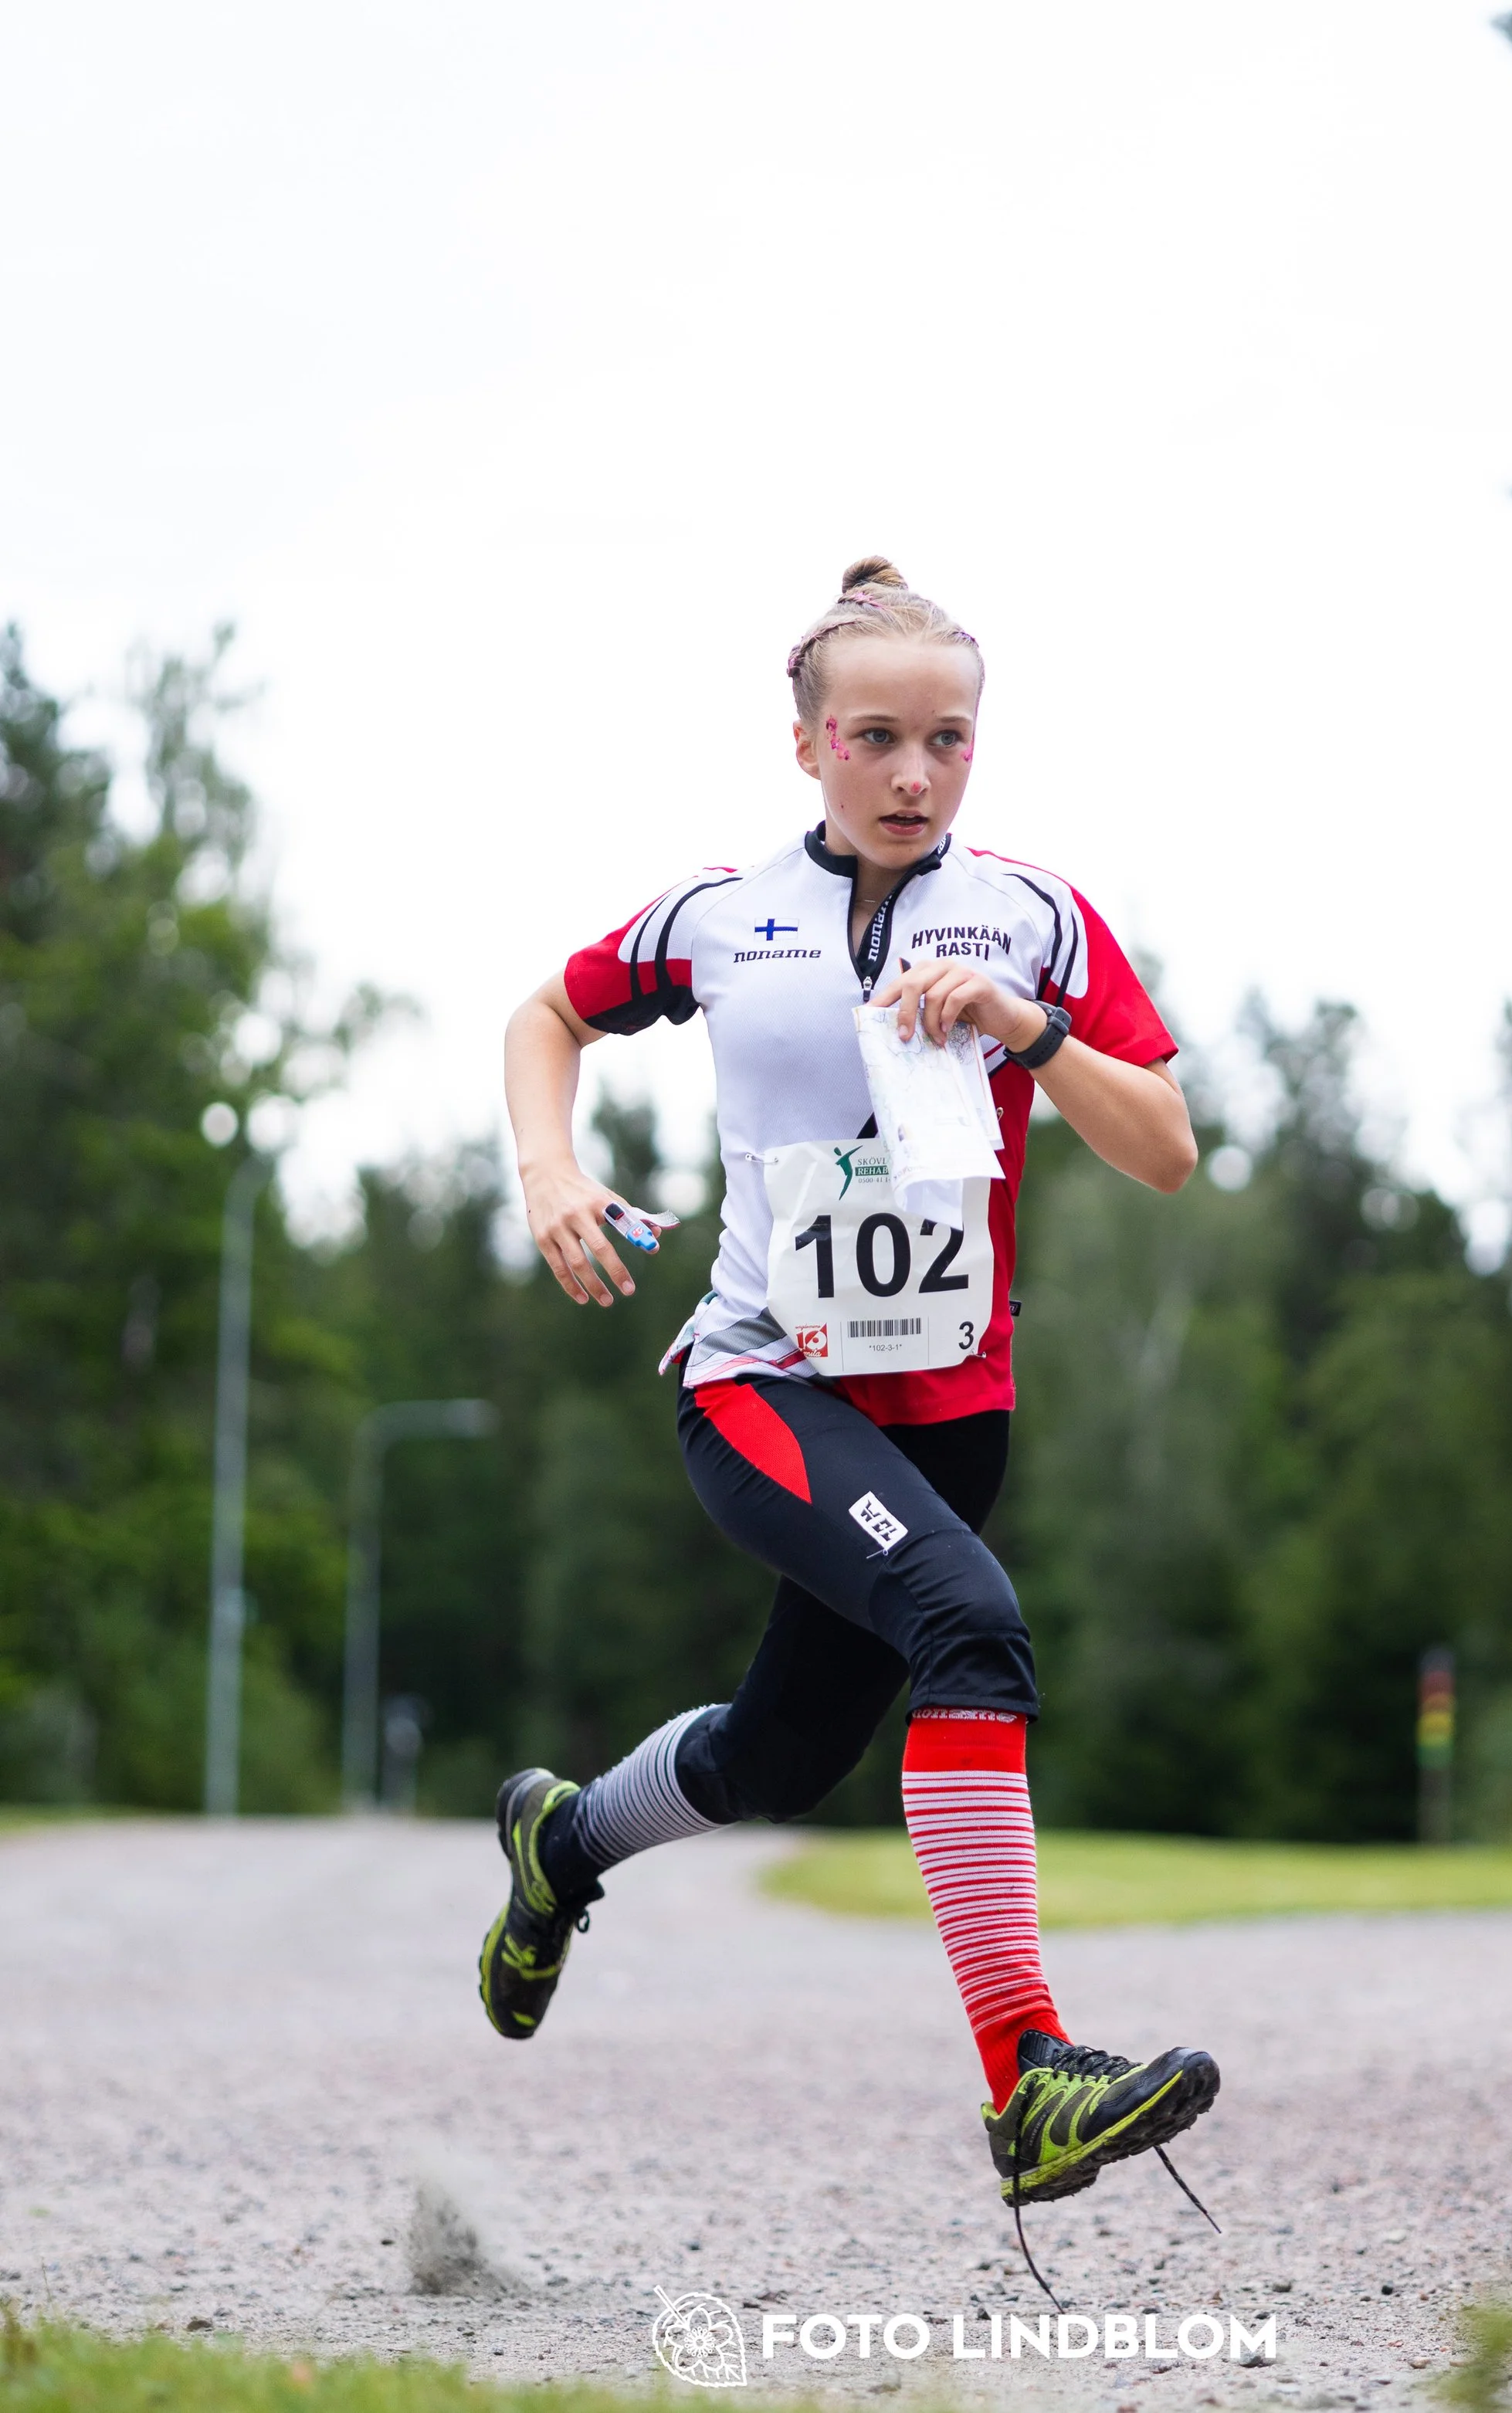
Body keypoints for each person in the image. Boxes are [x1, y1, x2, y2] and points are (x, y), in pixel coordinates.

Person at [480, 557, 1219, 2241]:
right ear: (806, 741)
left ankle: (563, 1844)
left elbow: (1165, 1146)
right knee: (974, 1627)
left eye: (946, 741)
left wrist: (1026, 1029)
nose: (912, 774)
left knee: (783, 1750)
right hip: (763, 1386)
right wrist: (550, 1169)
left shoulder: (1031, 913)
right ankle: (1026, 2073)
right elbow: (547, 1012)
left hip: (953, 1413)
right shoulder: (722, 915)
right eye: (875, 736)